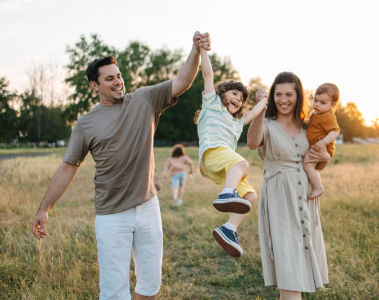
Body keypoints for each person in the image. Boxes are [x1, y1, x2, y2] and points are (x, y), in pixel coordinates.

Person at [31, 31, 211, 300]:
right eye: (109, 78)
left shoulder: (144, 100)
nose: (118, 82)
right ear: (95, 86)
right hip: (111, 215)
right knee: (114, 292)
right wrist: (44, 208)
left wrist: (195, 50)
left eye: (119, 76)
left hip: (148, 207)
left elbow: (183, 81)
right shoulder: (85, 124)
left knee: (149, 285)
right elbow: (69, 167)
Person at [247, 72, 330, 300]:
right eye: (278, 94)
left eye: (289, 94)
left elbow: (318, 164)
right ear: (271, 97)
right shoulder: (266, 124)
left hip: (305, 199)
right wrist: (260, 109)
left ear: (298, 96)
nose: (283, 100)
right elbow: (252, 143)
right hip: (279, 200)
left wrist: (326, 156)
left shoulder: (308, 126)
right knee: (288, 266)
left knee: (300, 266)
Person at [194, 47, 268, 258]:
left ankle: (229, 229)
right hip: (213, 154)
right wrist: (203, 50)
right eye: (234, 93)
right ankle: (227, 194)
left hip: (222, 168)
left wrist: (264, 98)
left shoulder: (237, 123)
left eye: (242, 98)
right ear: (221, 93)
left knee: (250, 196)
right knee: (242, 164)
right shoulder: (212, 104)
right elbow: (208, 74)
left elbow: (255, 113)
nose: (238, 99)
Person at [304, 83, 340, 199]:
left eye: (322, 102)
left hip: (322, 148)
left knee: (308, 166)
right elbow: (312, 124)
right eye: (315, 100)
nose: (317, 104)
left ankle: (318, 187)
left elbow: (335, 131)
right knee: (311, 166)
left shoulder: (327, 115)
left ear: (332, 105)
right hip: (317, 147)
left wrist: (323, 142)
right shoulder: (317, 113)